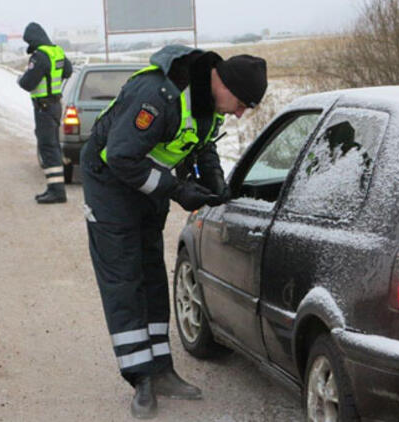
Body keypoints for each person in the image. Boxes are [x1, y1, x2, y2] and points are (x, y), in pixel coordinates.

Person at [80, 44, 267, 419]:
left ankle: (161, 370)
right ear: (224, 83)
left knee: (151, 273)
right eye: (242, 103)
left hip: (146, 186)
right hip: (111, 185)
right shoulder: (158, 94)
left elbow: (199, 146)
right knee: (124, 279)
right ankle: (140, 379)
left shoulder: (208, 102)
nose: (241, 113)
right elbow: (119, 157)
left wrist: (214, 181)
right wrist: (176, 189)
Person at [18, 22, 73, 204]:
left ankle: (57, 191)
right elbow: (68, 70)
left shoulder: (40, 56)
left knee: (48, 147)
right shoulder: (57, 51)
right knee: (53, 146)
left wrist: (21, 78)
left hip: (44, 107)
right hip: (55, 105)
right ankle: (54, 188)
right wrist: (52, 81)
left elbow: (28, 83)